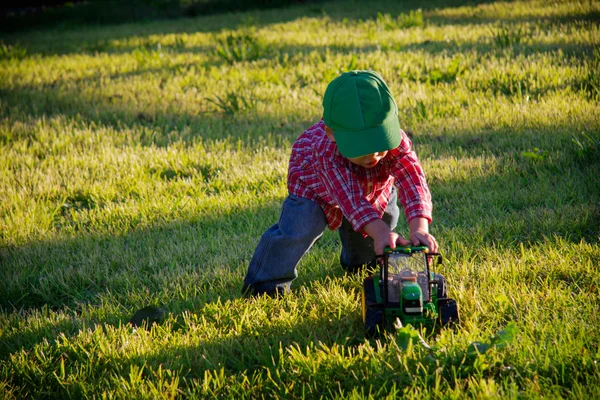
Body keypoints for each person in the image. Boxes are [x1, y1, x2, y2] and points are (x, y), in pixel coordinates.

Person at [242, 70, 437, 297]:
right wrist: (382, 233)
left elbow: (413, 180)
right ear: (332, 133)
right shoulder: (326, 152)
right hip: (314, 188)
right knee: (299, 229)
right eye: (360, 148)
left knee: (379, 221)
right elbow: (351, 202)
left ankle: (361, 264)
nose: (373, 155)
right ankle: (264, 284)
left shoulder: (396, 142)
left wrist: (419, 227)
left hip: (371, 188)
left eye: (379, 142)